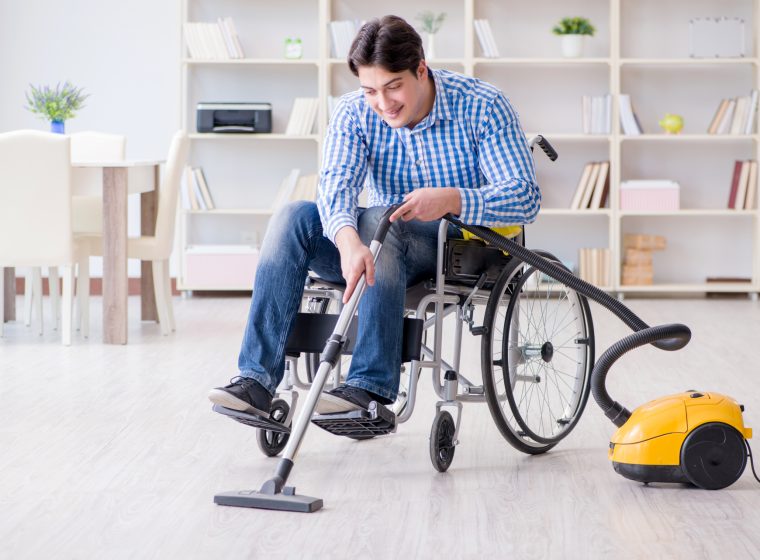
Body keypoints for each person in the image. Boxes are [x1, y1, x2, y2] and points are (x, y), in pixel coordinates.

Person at [208, 14, 540, 420]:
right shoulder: (353, 113)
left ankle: (368, 387)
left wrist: (454, 199)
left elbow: (525, 197)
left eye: (393, 87)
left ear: (421, 69)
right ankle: (256, 381)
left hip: (449, 249)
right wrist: (347, 244)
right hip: (372, 246)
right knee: (294, 215)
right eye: (370, 91)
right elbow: (335, 188)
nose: (383, 104)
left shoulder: (483, 105)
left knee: (380, 219)